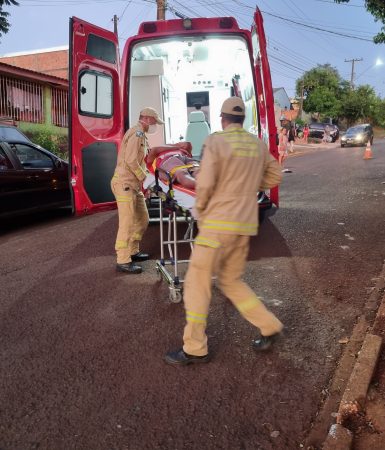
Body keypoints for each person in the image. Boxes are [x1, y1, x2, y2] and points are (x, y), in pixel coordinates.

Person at [164, 96, 284, 366]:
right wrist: (251, 183)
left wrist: (200, 210)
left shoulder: (216, 141)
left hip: (218, 224)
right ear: (243, 120)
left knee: (196, 284)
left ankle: (195, 348)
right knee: (230, 281)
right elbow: (275, 176)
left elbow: (204, 183)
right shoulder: (257, 144)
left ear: (222, 118)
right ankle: (269, 325)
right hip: (244, 224)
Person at [111, 107, 164, 274]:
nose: (155, 125)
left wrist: (146, 182)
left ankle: (133, 251)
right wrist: (144, 179)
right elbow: (131, 161)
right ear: (147, 119)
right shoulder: (137, 134)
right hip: (125, 184)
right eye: (154, 121)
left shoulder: (142, 135)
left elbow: (140, 163)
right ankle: (123, 260)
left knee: (143, 219)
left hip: (133, 185)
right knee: (126, 223)